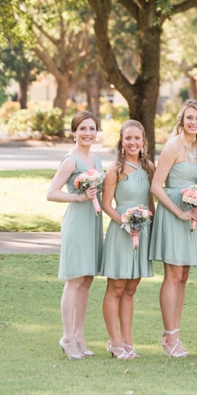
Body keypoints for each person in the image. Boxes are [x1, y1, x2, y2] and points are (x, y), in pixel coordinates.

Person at [149, 99, 197, 357]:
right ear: (182, 120)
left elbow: (196, 188)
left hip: (189, 216)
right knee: (172, 275)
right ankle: (168, 338)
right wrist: (178, 212)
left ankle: (175, 334)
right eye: (189, 117)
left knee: (184, 275)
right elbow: (156, 186)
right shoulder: (173, 146)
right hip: (173, 214)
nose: (194, 122)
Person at [47, 111, 103, 360]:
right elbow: (52, 192)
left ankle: (80, 336)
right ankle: (67, 337)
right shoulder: (71, 160)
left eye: (92, 128)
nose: (87, 133)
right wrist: (79, 197)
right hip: (77, 222)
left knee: (87, 280)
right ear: (74, 132)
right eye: (82, 129)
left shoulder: (97, 161)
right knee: (74, 279)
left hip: (94, 222)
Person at [100, 120, 155, 360]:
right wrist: (125, 222)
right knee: (117, 287)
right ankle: (114, 343)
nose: (133, 142)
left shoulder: (149, 167)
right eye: (128, 138)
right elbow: (106, 204)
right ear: (121, 142)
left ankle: (127, 341)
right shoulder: (115, 169)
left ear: (144, 141)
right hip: (121, 232)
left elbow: (151, 202)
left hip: (142, 232)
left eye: (137, 138)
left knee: (131, 288)